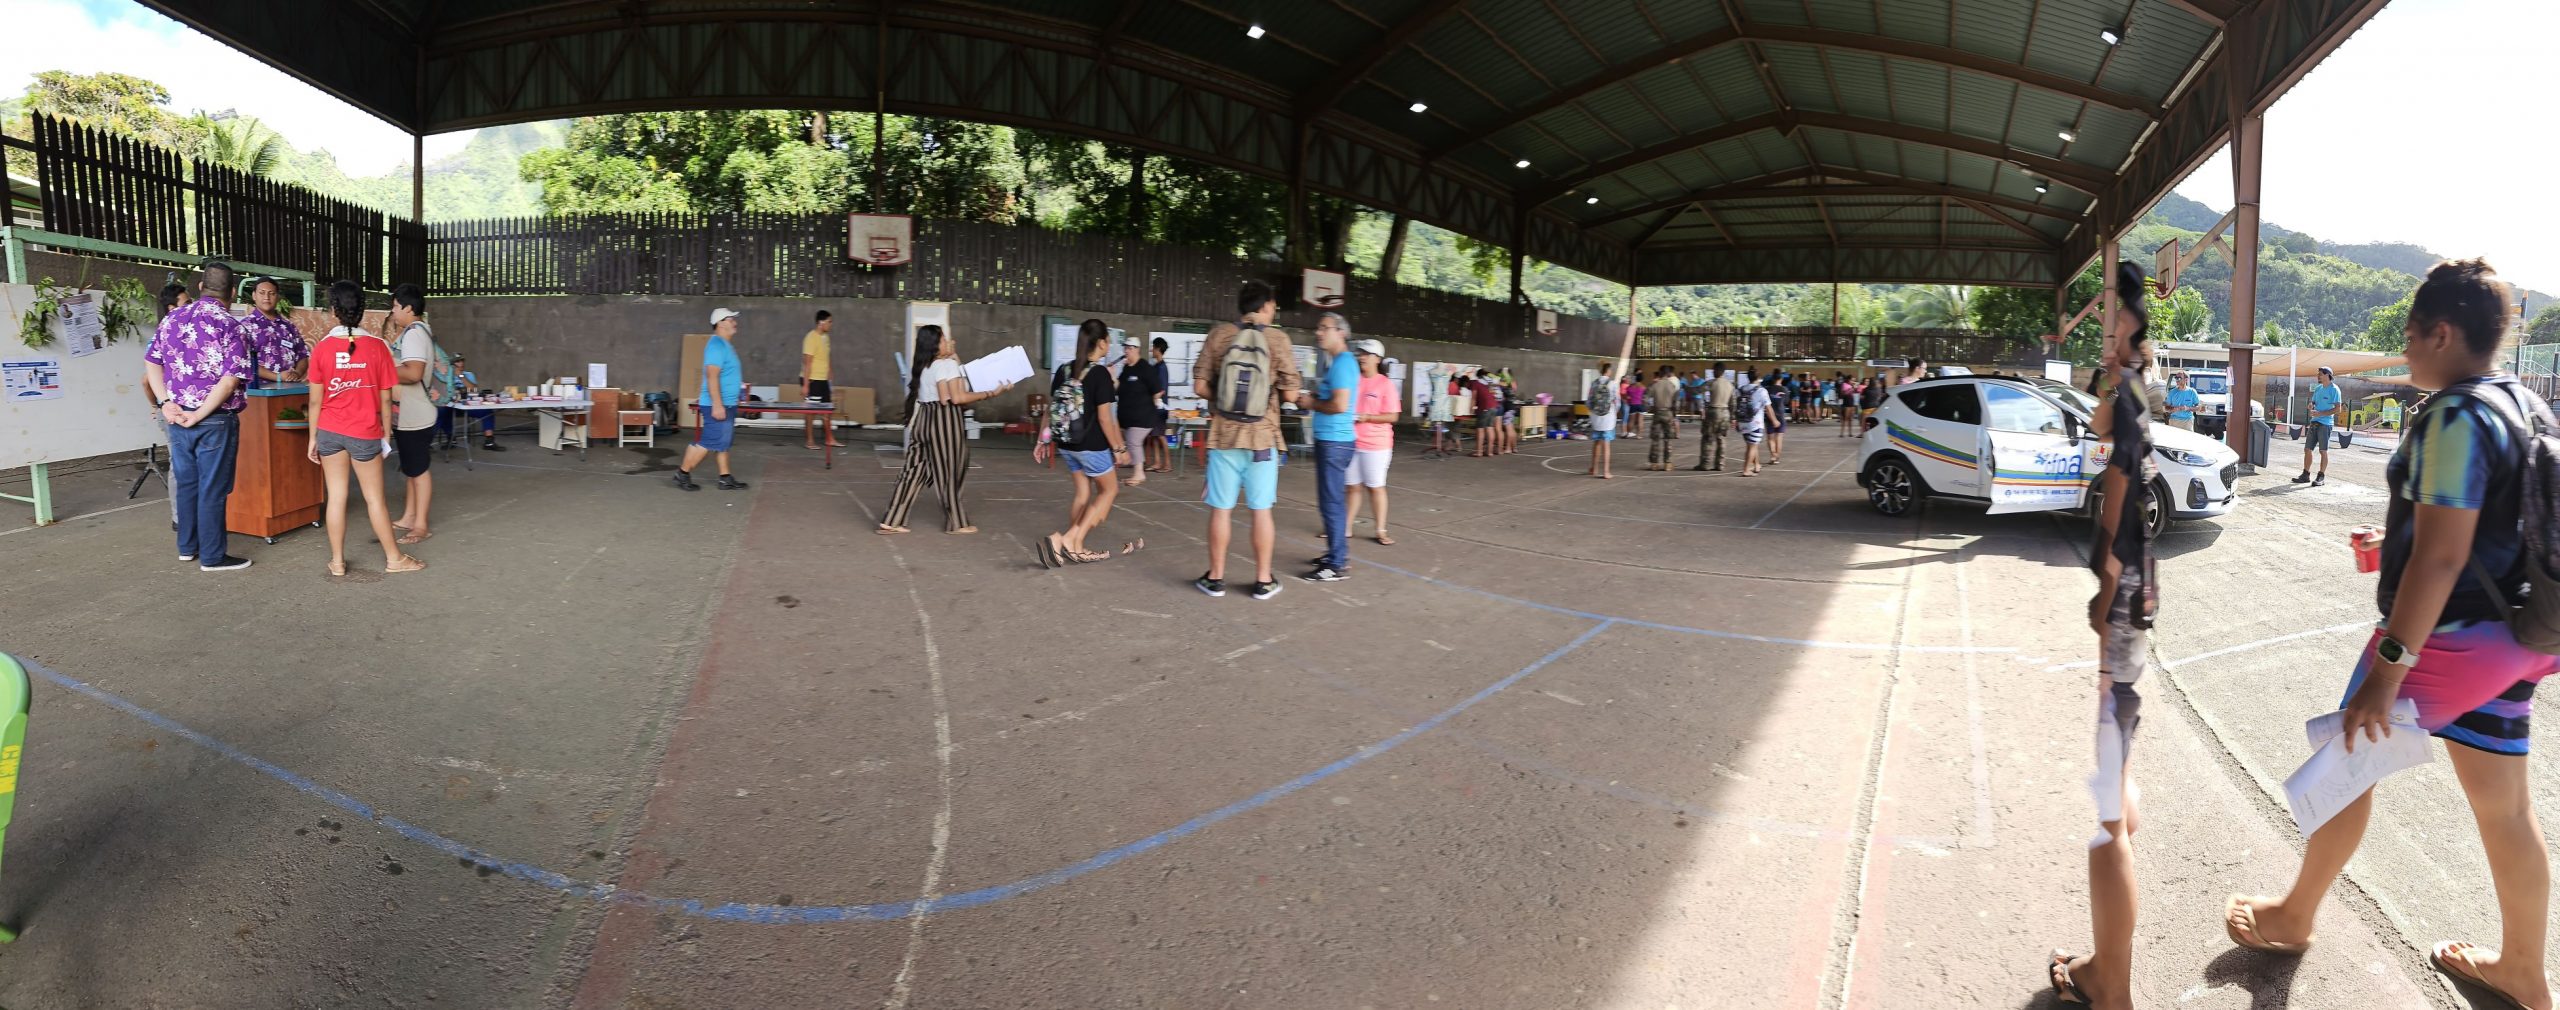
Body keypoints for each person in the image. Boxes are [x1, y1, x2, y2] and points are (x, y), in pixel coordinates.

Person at [2219, 261, 2560, 1010]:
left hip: (2449, 641)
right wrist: (2395, 542)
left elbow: (2442, 558)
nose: (2405, 351)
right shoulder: (2522, 403)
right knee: (2506, 808)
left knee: (2350, 754)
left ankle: (2293, 915)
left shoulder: (2454, 415)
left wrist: (2388, 669)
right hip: (2520, 639)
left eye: (2410, 336)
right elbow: (2489, 527)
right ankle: (2524, 971)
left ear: (2442, 333)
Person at [2046, 260, 2159, 1010]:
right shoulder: (2133, 390)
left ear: (2134, 330)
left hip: (2121, 602)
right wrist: (2115, 370)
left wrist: (2104, 593)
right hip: (2138, 599)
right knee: (2116, 750)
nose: (2105, 337)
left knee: (2105, 820)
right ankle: (2122, 792)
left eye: (2114, 326)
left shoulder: (2129, 398)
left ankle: (2108, 983)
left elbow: (2117, 504)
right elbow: (2095, 426)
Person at [305, 280, 426, 577]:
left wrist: (312, 438)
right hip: (364, 431)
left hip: (329, 431)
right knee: (374, 499)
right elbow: (386, 398)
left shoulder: (321, 348)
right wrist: (386, 435)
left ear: (333, 310)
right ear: (361, 310)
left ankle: (337, 562)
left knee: (337, 497)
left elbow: (315, 400)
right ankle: (394, 559)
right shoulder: (378, 347)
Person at [1192, 280, 1302, 601]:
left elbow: (1199, 386)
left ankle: (1215, 578)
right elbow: (1291, 394)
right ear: (1266, 305)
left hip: (1224, 437)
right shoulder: (1278, 339)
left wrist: (1223, 402)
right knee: (1261, 511)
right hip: (1263, 439)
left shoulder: (1220, 335)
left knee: (1221, 509)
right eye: (1274, 304)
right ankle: (1263, 581)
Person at [144, 260, 256, 571]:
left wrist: (166, 402)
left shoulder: (172, 318)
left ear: (200, 287)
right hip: (215, 420)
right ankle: (213, 556)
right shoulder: (233, 326)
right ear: (232, 293)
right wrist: (201, 414)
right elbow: (229, 380)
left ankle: (187, 547)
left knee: (187, 483)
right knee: (212, 488)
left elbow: (152, 362)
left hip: (178, 417)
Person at [879, 323, 1011, 532]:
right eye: (943, 339)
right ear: (934, 344)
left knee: (913, 470)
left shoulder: (925, 365)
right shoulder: (945, 365)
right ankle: (956, 523)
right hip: (945, 420)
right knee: (950, 470)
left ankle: (892, 520)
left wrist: (954, 356)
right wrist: (991, 393)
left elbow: (951, 385)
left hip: (923, 419)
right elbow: (952, 398)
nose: (948, 342)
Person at [1030, 320, 1130, 565]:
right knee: (1109, 491)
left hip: (1067, 444)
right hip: (1091, 446)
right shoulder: (1100, 374)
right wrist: (1119, 448)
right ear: (1101, 343)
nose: (1109, 346)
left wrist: (1042, 440)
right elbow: (1106, 419)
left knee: (1083, 493)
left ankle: (1076, 547)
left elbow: (1050, 409)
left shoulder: (1064, 370)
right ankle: (1066, 539)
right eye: (1108, 341)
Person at [1301, 312, 1361, 582]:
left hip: (1335, 442)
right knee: (1329, 501)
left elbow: (1339, 405)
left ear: (1341, 333)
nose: (1319, 332)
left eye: (1325, 328)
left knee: (1332, 503)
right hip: (1332, 441)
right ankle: (1334, 554)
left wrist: (1311, 403)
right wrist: (1316, 396)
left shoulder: (1344, 363)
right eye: (1318, 327)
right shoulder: (1336, 363)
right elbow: (1333, 397)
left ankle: (1337, 564)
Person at [673, 307, 752, 494]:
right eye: (731, 319)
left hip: (727, 403)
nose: (735, 322)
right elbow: (712, 376)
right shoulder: (716, 345)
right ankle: (682, 473)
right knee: (709, 442)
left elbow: (725, 374)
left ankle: (725, 478)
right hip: (716, 404)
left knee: (723, 442)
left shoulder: (726, 345)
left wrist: (738, 387)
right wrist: (717, 404)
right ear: (720, 323)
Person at [385, 284, 442, 545]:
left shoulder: (415, 334)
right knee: (411, 467)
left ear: (409, 308)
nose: (394, 312)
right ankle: (409, 517)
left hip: (417, 415)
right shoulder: (414, 332)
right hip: (409, 413)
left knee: (419, 470)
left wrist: (381, 370)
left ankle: (421, 525)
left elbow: (413, 373)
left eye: (396, 307)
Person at [1343, 340, 1400, 547]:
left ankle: (1380, 530)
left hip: (1376, 445)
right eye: (1360, 353)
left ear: (1377, 359)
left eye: (1367, 354)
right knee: (1352, 487)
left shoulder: (1385, 384)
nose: (1362, 357)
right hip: (1352, 441)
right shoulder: (1353, 380)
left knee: (1375, 487)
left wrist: (1367, 418)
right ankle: (1345, 528)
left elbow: (1393, 416)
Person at [238, 276, 308, 388]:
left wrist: (297, 373)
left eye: (272, 293)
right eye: (262, 293)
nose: (267, 297)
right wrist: (278, 377)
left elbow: (303, 355)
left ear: (278, 297)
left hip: (289, 388)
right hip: (259, 390)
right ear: (254, 295)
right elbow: (244, 360)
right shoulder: (245, 326)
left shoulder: (288, 326)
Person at [1113, 334, 1161, 487]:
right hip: (1128, 417)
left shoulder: (1145, 368)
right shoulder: (1126, 368)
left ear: (1137, 349)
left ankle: (1139, 474)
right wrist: (1112, 376)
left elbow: (1158, 390)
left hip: (1144, 416)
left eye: (1129, 348)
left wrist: (1155, 402)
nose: (1126, 351)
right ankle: (1135, 468)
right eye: (1125, 348)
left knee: (1134, 441)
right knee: (1130, 441)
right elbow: (1118, 387)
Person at [802, 309, 844, 450]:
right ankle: (809, 441)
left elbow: (826, 356)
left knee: (827, 410)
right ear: (821, 322)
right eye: (829, 322)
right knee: (811, 412)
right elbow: (807, 363)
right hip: (812, 380)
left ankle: (829, 439)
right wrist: (806, 385)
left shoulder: (826, 337)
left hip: (823, 379)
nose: (831, 324)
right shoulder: (811, 338)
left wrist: (830, 371)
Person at [2296, 366, 2342, 486]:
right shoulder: (2318, 388)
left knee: (2323, 451)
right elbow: (2314, 401)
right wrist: (2311, 405)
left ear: (2328, 375)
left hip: (2326, 424)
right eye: (2318, 374)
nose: (2318, 376)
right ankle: (2305, 475)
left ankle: (2321, 477)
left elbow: (2338, 409)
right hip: (2314, 422)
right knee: (2307, 449)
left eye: (2320, 374)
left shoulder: (2334, 390)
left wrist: (2321, 413)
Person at [1694, 362, 1734, 471]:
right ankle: (1720, 464)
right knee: (1721, 438)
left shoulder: (1712, 383)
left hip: (1713, 412)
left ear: (1716, 370)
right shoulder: (1730, 385)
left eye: (1713, 370)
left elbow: (1697, 390)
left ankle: (1705, 464)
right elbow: (1733, 403)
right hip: (1725, 413)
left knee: (1708, 438)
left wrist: (1685, 387)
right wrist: (1733, 417)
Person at [1145, 336, 1174, 473]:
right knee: (1154, 435)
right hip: (1154, 406)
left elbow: (1162, 389)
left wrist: (1154, 398)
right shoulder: (1156, 366)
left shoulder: (1162, 368)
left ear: (1158, 349)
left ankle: (1168, 464)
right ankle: (1157, 462)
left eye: (1153, 348)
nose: (1152, 350)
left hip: (1160, 407)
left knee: (1161, 435)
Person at [1737, 373, 1775, 477]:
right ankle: (1746, 470)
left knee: (1752, 445)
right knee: (1752, 446)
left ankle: (1756, 465)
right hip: (1755, 423)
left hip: (1742, 421)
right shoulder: (1762, 391)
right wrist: (1774, 421)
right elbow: (1768, 408)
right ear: (1758, 378)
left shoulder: (1740, 390)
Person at [1585, 362, 1619, 479]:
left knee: (1596, 442)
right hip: (1608, 417)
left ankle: (1594, 469)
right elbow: (1617, 402)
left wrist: (1593, 412)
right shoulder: (1613, 384)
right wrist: (1614, 412)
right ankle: (1606, 471)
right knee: (1606, 444)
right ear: (1608, 371)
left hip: (1596, 417)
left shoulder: (1594, 383)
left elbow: (1588, 402)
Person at [1645, 366, 1682, 470]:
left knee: (1655, 439)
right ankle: (1668, 464)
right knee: (1668, 439)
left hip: (1657, 413)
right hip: (1668, 413)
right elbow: (1677, 403)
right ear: (1668, 374)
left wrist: (1649, 408)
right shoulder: (1672, 386)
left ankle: (1654, 463)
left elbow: (1645, 398)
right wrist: (1674, 414)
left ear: (1660, 373)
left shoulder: (1655, 385)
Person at [1470, 369, 1501, 458]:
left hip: (1484, 407)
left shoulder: (1476, 383)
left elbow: (1473, 398)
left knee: (1480, 429)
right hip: (1494, 407)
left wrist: (1471, 409)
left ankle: (1479, 452)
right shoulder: (1490, 382)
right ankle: (1489, 452)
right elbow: (1492, 394)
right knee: (1490, 428)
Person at [1763, 374, 1788, 464]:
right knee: (1779, 437)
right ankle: (1777, 457)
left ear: (1772, 379)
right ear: (1781, 379)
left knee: (1770, 437)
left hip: (1770, 415)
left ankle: (1773, 456)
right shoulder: (1784, 389)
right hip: (1780, 414)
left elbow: (1765, 403)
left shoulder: (1767, 389)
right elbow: (1786, 402)